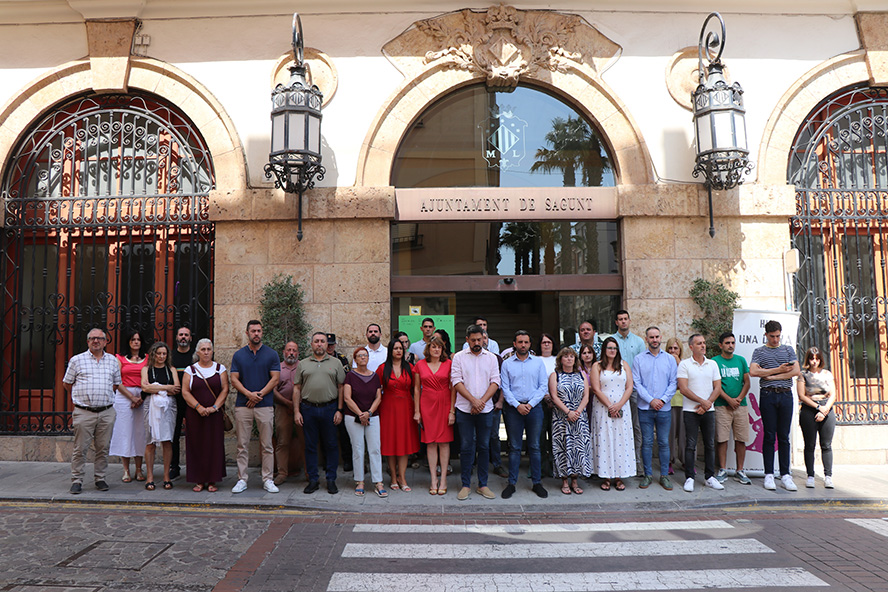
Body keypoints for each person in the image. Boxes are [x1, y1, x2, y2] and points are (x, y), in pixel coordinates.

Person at [63, 327, 121, 494]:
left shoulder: (112, 361)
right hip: (84, 412)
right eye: (92, 338)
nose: (96, 341)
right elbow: (67, 383)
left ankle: (100, 478)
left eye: (99, 338)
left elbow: (116, 384)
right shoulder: (77, 360)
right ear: (87, 341)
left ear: (105, 341)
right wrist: (80, 397)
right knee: (80, 448)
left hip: (106, 412)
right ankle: (77, 479)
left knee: (103, 447)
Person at [229, 320, 281, 494]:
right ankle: (242, 479)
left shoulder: (271, 354)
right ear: (247, 333)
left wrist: (258, 395)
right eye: (253, 331)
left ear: (262, 332)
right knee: (242, 445)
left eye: (259, 330)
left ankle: (268, 479)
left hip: (265, 405)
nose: (256, 333)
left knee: (267, 444)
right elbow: (234, 379)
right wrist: (248, 394)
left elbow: (275, 379)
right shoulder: (239, 355)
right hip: (243, 406)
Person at [451, 324, 500, 500]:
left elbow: (495, 382)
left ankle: (483, 484)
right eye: (473, 340)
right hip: (465, 409)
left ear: (484, 338)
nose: (477, 343)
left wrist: (481, 402)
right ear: (467, 340)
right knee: (466, 446)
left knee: (484, 446)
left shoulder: (492, 358)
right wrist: (473, 401)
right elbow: (456, 381)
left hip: (486, 410)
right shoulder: (459, 357)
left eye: (480, 339)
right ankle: (465, 485)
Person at [750, 319, 801, 492]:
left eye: (778, 336)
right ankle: (769, 474)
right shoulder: (759, 351)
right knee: (769, 435)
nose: (775, 340)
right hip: (768, 395)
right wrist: (778, 370)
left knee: (784, 436)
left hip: (785, 394)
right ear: (766, 335)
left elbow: (796, 371)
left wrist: (772, 377)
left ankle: (786, 474)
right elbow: (754, 372)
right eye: (772, 336)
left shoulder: (788, 349)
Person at [295, 332, 346, 494]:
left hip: (329, 409)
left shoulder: (336, 363)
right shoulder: (303, 364)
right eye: (316, 341)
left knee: (331, 444)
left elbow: (341, 387)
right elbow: (297, 388)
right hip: (308, 409)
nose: (319, 344)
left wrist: (339, 410)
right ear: (312, 344)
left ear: (327, 344)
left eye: (322, 341)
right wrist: (297, 411)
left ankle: (331, 479)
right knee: (310, 446)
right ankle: (313, 480)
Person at [500, 331, 549, 499]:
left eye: (526, 342)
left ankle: (537, 483)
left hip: (534, 408)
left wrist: (529, 404)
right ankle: (512, 484)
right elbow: (505, 388)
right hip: (514, 409)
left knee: (535, 446)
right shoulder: (507, 364)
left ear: (530, 344)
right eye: (520, 342)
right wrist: (517, 405)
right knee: (514, 447)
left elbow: (543, 386)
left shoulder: (537, 362)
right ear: (514, 343)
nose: (523, 345)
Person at [677, 334, 724, 492]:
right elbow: (683, 388)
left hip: (708, 411)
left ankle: (710, 477)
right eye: (699, 343)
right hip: (690, 411)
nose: (703, 346)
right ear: (691, 347)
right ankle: (690, 477)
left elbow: (717, 387)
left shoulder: (712, 364)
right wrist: (701, 401)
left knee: (710, 444)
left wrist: (707, 403)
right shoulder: (684, 365)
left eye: (704, 343)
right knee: (690, 445)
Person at [632, 326, 677, 490]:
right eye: (651, 337)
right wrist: (651, 400)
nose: (655, 340)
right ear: (646, 339)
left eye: (657, 336)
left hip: (664, 409)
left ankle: (664, 476)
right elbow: (636, 383)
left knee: (664, 443)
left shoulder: (670, 359)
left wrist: (662, 400)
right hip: (645, 408)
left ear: (661, 337)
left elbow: (674, 383)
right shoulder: (638, 359)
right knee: (647, 442)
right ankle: (648, 475)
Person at [181, 338, 228, 492]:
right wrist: (198, 407)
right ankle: (199, 480)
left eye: (209, 349)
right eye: (203, 349)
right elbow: (185, 391)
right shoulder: (190, 370)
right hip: (195, 415)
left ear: (212, 351)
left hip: (214, 415)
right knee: (197, 445)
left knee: (214, 445)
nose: (206, 352)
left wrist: (215, 407)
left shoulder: (220, 369)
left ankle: (213, 480)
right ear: (198, 352)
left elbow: (225, 390)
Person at [590, 336, 635, 491]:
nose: (612, 351)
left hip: (622, 407)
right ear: (604, 350)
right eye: (609, 348)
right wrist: (610, 406)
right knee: (605, 439)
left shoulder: (624, 365)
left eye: (615, 348)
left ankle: (619, 476)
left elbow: (629, 386)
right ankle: (606, 476)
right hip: (603, 408)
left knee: (620, 440)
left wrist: (620, 405)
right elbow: (595, 388)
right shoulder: (597, 366)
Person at [413, 335, 454, 495]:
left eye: (439, 347)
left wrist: (452, 411)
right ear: (428, 349)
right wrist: (417, 411)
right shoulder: (420, 365)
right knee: (430, 443)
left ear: (443, 349)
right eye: (433, 347)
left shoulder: (449, 364)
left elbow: (454, 388)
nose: (436, 349)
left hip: (444, 403)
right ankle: (433, 479)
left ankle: (443, 478)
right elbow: (416, 389)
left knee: (444, 443)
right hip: (427, 404)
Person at [343, 346, 386, 497]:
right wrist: (360, 414)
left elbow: (378, 397)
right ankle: (359, 481)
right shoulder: (350, 376)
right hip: (353, 416)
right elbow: (347, 398)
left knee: (375, 449)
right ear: (354, 359)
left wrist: (369, 413)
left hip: (372, 416)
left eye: (365, 355)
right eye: (359, 356)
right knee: (358, 449)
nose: (363, 358)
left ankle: (378, 482)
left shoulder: (374, 376)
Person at [549, 347, 593, 494]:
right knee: (563, 448)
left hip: (579, 418)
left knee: (578, 449)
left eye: (572, 356)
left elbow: (586, 396)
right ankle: (564, 481)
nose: (569, 359)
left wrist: (578, 412)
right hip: (562, 418)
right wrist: (568, 411)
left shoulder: (582, 374)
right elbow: (554, 397)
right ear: (560, 359)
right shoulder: (555, 375)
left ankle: (575, 481)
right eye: (565, 356)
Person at [377, 338, 419, 490]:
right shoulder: (382, 368)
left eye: (401, 348)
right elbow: (377, 390)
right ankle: (393, 477)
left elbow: (416, 390)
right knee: (391, 442)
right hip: (388, 408)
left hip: (406, 408)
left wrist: (417, 411)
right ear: (390, 351)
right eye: (395, 348)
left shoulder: (410, 368)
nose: (399, 351)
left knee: (404, 443)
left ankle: (403, 477)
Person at [140, 341, 180, 490]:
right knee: (150, 441)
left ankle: (166, 476)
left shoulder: (172, 369)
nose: (161, 356)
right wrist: (166, 387)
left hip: (169, 406)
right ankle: (150, 476)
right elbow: (144, 387)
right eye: (159, 353)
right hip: (150, 405)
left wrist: (155, 387)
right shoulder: (146, 369)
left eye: (164, 354)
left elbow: (176, 389)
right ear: (153, 354)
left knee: (167, 440)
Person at [713, 332, 752, 485]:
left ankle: (740, 470)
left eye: (733, 343)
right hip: (722, 406)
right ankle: (722, 469)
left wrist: (739, 399)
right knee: (722, 439)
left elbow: (747, 382)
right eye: (727, 343)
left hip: (740, 406)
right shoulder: (714, 362)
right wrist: (728, 400)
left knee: (741, 439)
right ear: (721, 345)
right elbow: (715, 385)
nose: (731, 345)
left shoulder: (741, 360)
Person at [109, 328, 147, 483]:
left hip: (142, 396)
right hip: (124, 396)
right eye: (133, 340)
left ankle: (139, 469)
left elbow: (149, 378)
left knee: (140, 433)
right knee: (125, 432)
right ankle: (126, 470)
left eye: (138, 339)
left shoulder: (147, 358)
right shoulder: (119, 358)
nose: (136, 342)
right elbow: (116, 381)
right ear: (128, 342)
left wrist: (140, 398)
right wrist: (131, 397)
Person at [796, 346, 836, 489]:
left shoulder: (827, 374)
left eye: (817, 358)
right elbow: (801, 396)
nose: (814, 361)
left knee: (826, 445)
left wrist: (825, 410)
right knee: (810, 445)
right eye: (812, 358)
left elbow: (833, 395)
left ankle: (828, 476)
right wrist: (817, 408)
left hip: (827, 409)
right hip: (809, 410)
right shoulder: (803, 375)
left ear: (821, 359)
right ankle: (810, 476)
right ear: (808, 359)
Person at [613, 309, 646, 476]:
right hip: (614, 389)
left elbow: (641, 367)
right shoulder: (611, 341)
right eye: (620, 319)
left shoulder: (639, 342)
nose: (623, 321)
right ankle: (617, 464)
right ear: (616, 322)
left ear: (629, 321)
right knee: (617, 427)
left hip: (633, 390)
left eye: (626, 319)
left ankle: (638, 465)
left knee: (635, 427)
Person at [273, 341, 304, 486]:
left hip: (302, 410)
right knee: (282, 442)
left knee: (305, 441)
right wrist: (287, 403)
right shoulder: (277, 368)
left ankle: (309, 473)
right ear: (284, 352)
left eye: (294, 350)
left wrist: (297, 404)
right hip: (282, 408)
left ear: (298, 353)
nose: (291, 353)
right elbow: (272, 390)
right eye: (289, 350)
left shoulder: (303, 367)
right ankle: (282, 473)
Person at [169, 326, 194, 481]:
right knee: (174, 434)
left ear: (190, 338)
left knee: (194, 435)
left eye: (186, 334)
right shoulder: (170, 356)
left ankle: (193, 467)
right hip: (174, 401)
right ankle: (174, 467)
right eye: (181, 335)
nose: (183, 337)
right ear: (177, 337)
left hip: (192, 401)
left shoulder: (195, 356)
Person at [326, 333, 353, 472]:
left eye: (332, 344)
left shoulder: (341, 359)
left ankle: (347, 460)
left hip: (340, 399)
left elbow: (346, 379)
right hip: (326, 400)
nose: (330, 347)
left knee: (344, 433)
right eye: (327, 344)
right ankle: (327, 462)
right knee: (326, 434)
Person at [665, 337, 685, 476]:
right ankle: (668, 462)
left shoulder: (686, 364)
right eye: (670, 348)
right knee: (669, 435)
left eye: (675, 348)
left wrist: (678, 363)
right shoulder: (663, 364)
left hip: (684, 403)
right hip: (669, 403)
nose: (673, 351)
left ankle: (686, 462)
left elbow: (685, 384)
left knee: (685, 435)